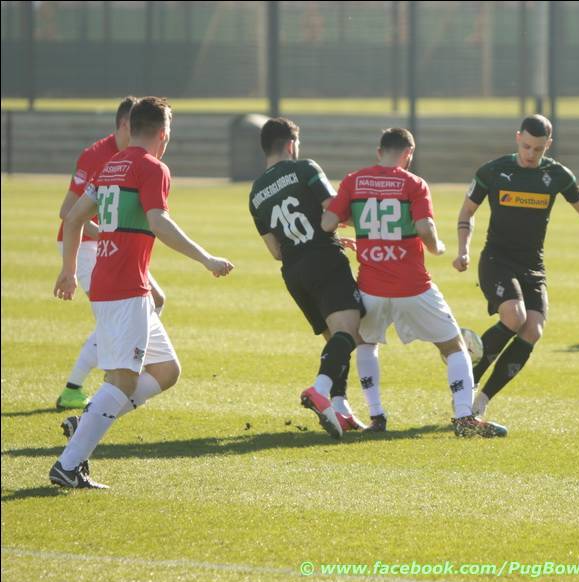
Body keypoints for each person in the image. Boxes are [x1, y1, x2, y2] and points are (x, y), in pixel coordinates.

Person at [50, 97, 234, 488]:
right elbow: (159, 222)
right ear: (163, 134)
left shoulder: (109, 166)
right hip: (125, 289)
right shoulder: (153, 167)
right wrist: (206, 258)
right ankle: (69, 464)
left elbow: (73, 217)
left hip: (115, 284)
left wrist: (68, 270)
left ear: (130, 128)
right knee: (123, 381)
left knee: (166, 371)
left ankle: (87, 424)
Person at [321, 128, 506, 438]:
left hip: (370, 287)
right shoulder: (413, 183)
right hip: (413, 287)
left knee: (366, 344)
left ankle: (376, 416)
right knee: (454, 346)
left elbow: (328, 223)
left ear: (379, 152)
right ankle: (464, 417)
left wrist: (359, 226)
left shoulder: (354, 181)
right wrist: (438, 247)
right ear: (409, 154)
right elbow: (424, 228)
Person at [455, 115, 579, 418]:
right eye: (526, 146)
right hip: (496, 260)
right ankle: (466, 381)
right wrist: (463, 250)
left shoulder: (557, 174)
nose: (530, 154)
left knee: (532, 330)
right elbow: (467, 211)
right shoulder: (493, 171)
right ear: (517, 138)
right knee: (514, 316)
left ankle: (481, 401)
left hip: (532, 265)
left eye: (538, 149)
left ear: (549, 144)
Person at [248, 117, 366, 439]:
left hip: (294, 273)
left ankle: (340, 409)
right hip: (324, 260)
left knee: (335, 343)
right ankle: (320, 391)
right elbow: (333, 209)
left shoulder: (255, 193)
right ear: (291, 144)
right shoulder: (305, 168)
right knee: (350, 333)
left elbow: (275, 250)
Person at [54, 96, 167, 410]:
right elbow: (68, 212)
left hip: (111, 245)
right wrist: (105, 237)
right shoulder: (97, 156)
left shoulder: (132, 159)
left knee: (156, 299)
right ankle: (79, 386)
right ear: (126, 125)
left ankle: (124, 364)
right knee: (116, 309)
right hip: (85, 245)